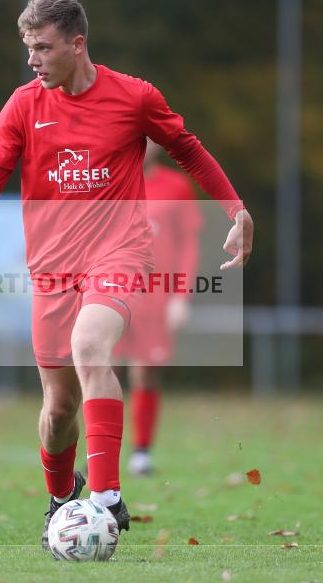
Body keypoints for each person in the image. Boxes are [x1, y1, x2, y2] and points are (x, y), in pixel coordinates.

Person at [0, 0, 253, 552]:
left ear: (77, 43)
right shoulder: (22, 106)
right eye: (28, 48)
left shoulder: (134, 97)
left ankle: (108, 496)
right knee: (58, 410)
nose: (33, 60)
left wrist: (236, 211)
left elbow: (187, 149)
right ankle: (64, 498)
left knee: (92, 344)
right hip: (52, 270)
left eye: (43, 47)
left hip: (118, 254)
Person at [114, 140, 203, 477]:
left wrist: (181, 295)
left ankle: (141, 451)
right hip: (112, 291)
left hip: (156, 296)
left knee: (145, 372)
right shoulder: (107, 179)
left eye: (148, 136)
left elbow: (188, 243)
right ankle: (101, 449)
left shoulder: (176, 186)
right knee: (102, 370)